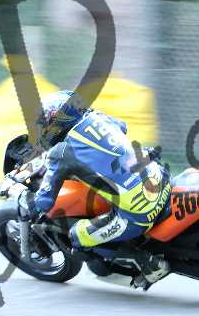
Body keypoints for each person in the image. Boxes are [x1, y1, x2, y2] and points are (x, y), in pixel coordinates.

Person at [16, 90, 171, 286]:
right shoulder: (98, 118)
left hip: (140, 213)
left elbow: (45, 202)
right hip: (160, 178)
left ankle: (150, 264)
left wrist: (29, 203)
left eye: (45, 124)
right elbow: (122, 126)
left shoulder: (60, 153)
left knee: (77, 236)